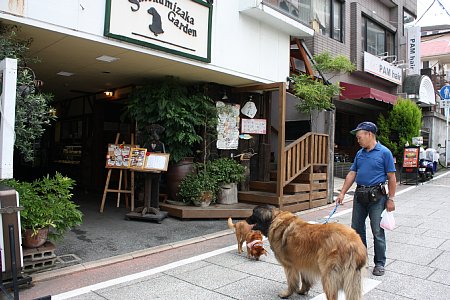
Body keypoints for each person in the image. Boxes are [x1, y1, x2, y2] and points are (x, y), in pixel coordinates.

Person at [336, 121, 396, 276]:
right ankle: (360, 260)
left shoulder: (384, 152)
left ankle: (380, 263)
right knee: (356, 230)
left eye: (359, 136)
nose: (358, 139)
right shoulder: (360, 153)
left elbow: (391, 177)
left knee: (377, 231)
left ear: (369, 134)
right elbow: (352, 173)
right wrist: (342, 192)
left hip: (377, 197)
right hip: (360, 195)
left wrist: (391, 199)